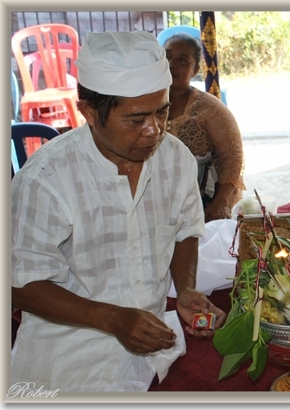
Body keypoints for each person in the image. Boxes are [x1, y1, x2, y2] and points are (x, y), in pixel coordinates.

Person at [10, 31, 226, 392]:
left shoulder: (176, 159)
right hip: (68, 354)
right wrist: (111, 318)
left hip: (153, 343)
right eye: (136, 118)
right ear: (90, 112)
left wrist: (185, 288)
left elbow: (184, 229)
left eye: (162, 111)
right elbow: (19, 283)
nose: (153, 130)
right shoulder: (44, 181)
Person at [163, 33, 245, 222]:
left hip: (203, 202)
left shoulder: (210, 109)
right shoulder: (145, 103)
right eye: (167, 56)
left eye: (182, 60)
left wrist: (221, 201)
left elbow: (233, 156)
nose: (171, 64)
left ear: (195, 70)